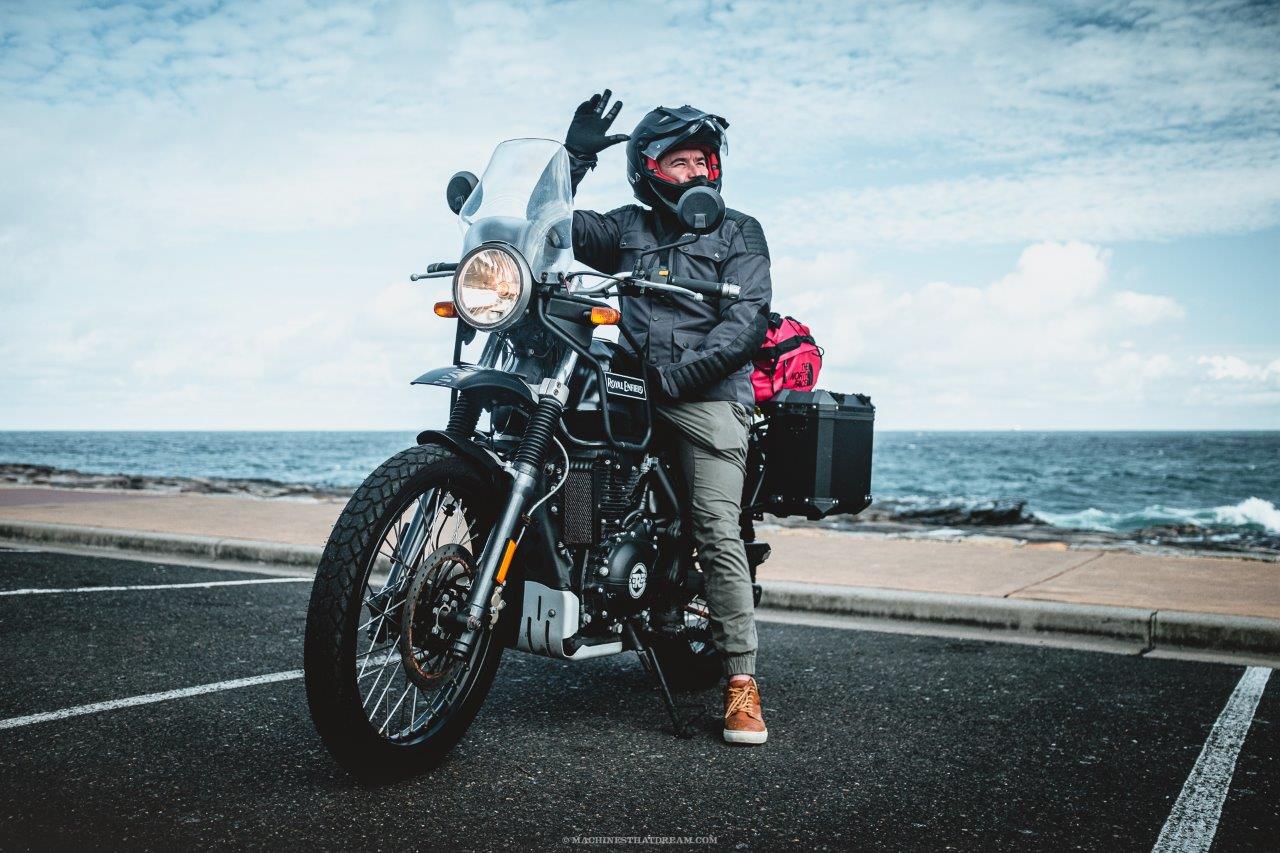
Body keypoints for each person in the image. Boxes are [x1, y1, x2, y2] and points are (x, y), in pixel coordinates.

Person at [563, 90, 772, 745]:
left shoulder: (740, 231)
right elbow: (550, 229)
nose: (694, 172)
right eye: (679, 160)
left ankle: (742, 684)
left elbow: (745, 326)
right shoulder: (627, 227)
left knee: (715, 524)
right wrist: (571, 160)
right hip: (629, 386)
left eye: (702, 160)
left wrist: (672, 379)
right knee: (561, 453)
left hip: (707, 396)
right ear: (648, 167)